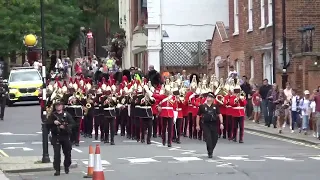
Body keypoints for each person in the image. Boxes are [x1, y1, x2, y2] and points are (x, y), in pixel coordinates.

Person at [47, 101, 75, 176]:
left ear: (62, 106)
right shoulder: (52, 115)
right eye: (57, 106)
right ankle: (57, 170)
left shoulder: (66, 115)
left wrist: (65, 126)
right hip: (56, 136)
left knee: (67, 153)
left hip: (65, 136)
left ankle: (66, 166)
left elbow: (72, 123)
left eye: (59, 106)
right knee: (57, 154)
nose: (58, 107)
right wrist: (54, 122)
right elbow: (47, 124)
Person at [196, 92, 223, 158]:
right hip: (205, 124)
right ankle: (210, 152)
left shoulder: (215, 106)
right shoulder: (202, 106)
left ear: (213, 99)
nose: (208, 98)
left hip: (214, 124)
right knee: (208, 138)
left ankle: (211, 149)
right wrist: (197, 125)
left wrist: (221, 123)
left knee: (215, 138)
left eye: (210, 97)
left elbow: (219, 114)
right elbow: (198, 116)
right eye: (208, 96)